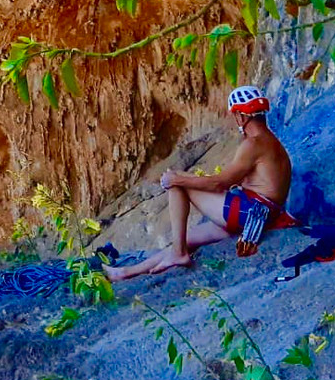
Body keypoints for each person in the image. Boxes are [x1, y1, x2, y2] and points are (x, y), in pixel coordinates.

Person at [104, 86, 295, 282]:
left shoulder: (253, 144)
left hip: (250, 213)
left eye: (235, 115)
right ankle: (125, 273)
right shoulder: (271, 142)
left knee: (179, 184)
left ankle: (178, 254)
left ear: (241, 116)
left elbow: (220, 184)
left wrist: (178, 179)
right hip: (260, 216)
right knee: (186, 237)